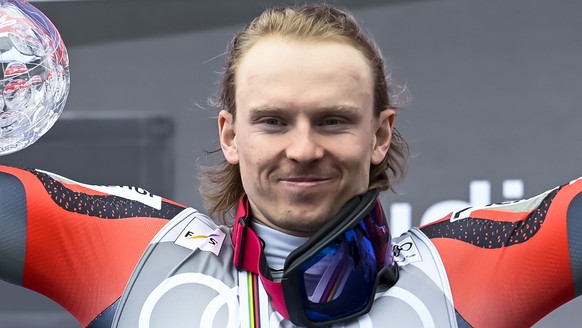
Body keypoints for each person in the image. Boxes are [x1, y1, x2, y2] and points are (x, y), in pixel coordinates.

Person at [0, 3, 580, 328]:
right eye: (273, 121)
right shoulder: (134, 257)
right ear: (230, 135)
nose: (302, 149)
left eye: (332, 120)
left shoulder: (461, 273)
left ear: (380, 134)